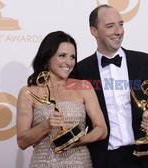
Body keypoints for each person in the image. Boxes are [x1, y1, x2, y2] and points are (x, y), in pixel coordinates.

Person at [75, 4, 148, 168]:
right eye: (110, 26)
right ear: (94, 31)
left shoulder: (145, 62)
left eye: (121, 24)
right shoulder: (80, 70)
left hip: (146, 157)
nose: (118, 31)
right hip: (104, 159)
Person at [16, 31, 107, 168]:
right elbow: (22, 142)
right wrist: (46, 125)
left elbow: (101, 129)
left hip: (80, 162)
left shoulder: (83, 87)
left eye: (72, 57)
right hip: (43, 163)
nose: (69, 62)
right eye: (62, 56)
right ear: (47, 56)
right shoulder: (28, 92)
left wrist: (77, 141)